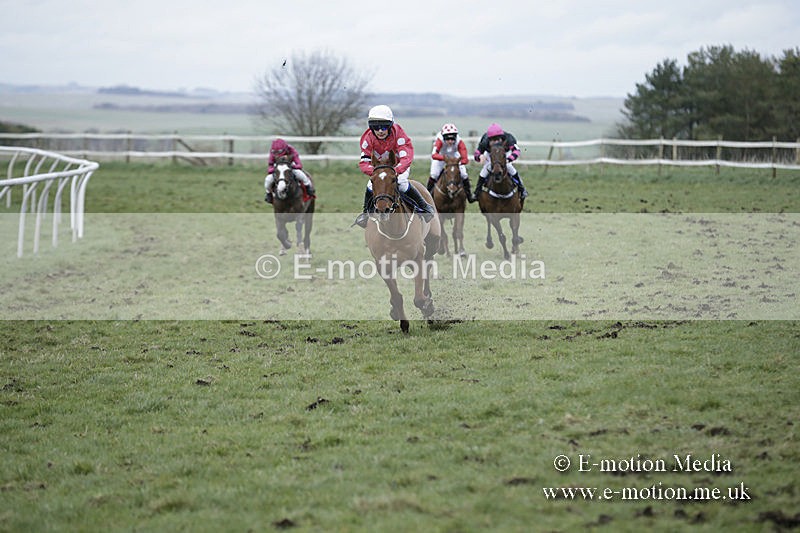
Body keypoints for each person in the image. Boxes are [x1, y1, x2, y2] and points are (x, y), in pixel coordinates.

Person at [354, 105, 435, 228]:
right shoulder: (367, 138)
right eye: (376, 127)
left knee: (401, 182)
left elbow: (406, 158)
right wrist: (375, 172)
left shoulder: (399, 134)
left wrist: (396, 170)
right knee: (370, 184)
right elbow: (364, 163)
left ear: (390, 125)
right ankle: (365, 213)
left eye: (384, 127)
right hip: (379, 169)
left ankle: (424, 207)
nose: (380, 131)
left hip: (398, 166)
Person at [472, 123, 528, 201]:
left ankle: (522, 189)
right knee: (485, 170)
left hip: (504, 153)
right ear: (489, 139)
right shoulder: (485, 141)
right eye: (493, 140)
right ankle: (477, 193)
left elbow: (516, 151)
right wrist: (479, 157)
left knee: (509, 167)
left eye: (497, 139)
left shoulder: (509, 139)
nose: (495, 142)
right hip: (491, 154)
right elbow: (476, 153)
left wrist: (509, 159)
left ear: (502, 138)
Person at [428, 123, 475, 202]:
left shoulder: (459, 141)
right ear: (444, 137)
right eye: (447, 139)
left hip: (454, 156)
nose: (450, 141)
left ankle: (469, 195)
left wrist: (461, 161)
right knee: (434, 174)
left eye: (452, 139)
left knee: (464, 174)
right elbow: (434, 155)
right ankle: (428, 196)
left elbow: (465, 157)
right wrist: (445, 159)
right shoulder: (439, 140)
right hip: (441, 156)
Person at [263, 138, 315, 203]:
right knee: (268, 179)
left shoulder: (291, 150)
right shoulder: (272, 152)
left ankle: (308, 187)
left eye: (278, 152)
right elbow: (270, 165)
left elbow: (299, 165)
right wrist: (274, 169)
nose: (276, 154)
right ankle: (268, 194)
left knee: (300, 174)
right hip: (278, 168)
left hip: (290, 166)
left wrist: (291, 167)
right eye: (274, 152)